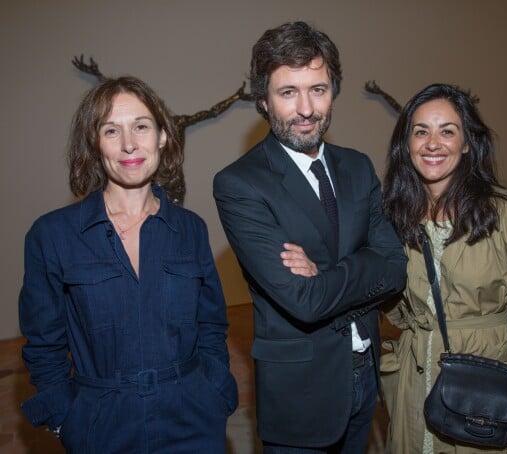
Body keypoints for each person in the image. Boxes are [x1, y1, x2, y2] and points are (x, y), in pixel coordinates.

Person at [213, 21, 407, 453]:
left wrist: (325, 273)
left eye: (318, 89)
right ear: (263, 100)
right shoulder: (240, 185)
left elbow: (396, 268)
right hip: (301, 392)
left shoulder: (357, 167)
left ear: (333, 91)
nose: (306, 108)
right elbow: (304, 300)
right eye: (288, 93)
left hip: (365, 375)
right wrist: (360, 267)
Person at [19, 76, 237, 453]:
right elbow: (44, 344)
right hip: (101, 425)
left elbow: (211, 325)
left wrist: (215, 390)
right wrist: (64, 417)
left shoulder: (190, 229)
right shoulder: (53, 234)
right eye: (111, 130)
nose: (129, 144)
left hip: (193, 419)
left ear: (162, 137)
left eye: (141, 126)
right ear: (94, 143)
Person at [380, 83, 507, 453]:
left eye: (447, 131)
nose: (433, 143)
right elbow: (396, 305)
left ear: (467, 144)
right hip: (415, 375)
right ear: (406, 144)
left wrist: (496, 359)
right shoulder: (396, 217)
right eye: (421, 131)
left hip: (482, 380)